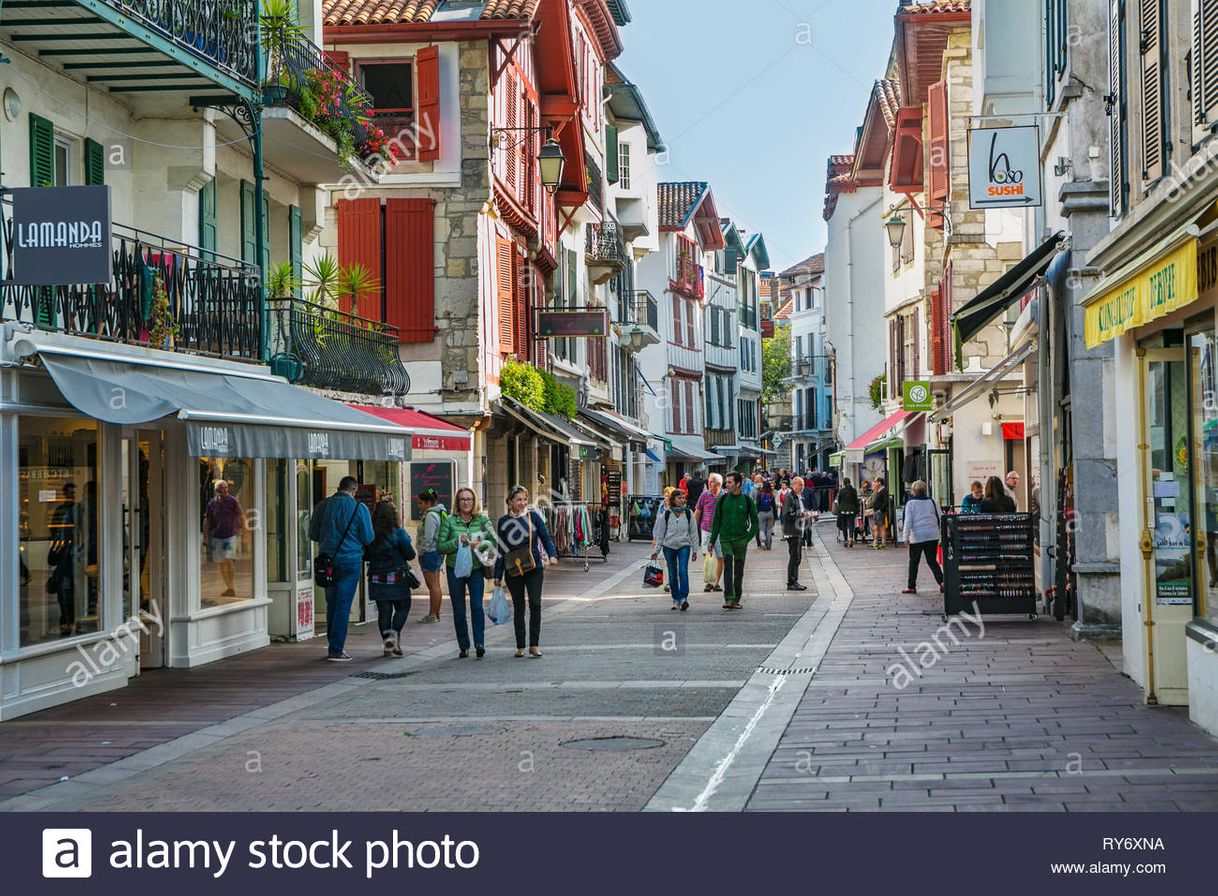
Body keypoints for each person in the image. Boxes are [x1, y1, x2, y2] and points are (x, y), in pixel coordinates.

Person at [309, 476, 374, 661]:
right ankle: (336, 648)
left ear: (338, 488)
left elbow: (313, 534)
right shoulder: (359, 508)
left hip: (328, 561)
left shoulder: (323, 505)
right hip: (350, 561)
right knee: (343, 604)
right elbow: (368, 537)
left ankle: (333, 643)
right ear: (354, 491)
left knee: (332, 603)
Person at [494, 486, 559, 658]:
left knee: (535, 605)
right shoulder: (503, 521)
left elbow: (545, 537)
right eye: (518, 500)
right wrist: (497, 574)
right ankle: (521, 645)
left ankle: (534, 645)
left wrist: (552, 554)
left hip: (533, 566)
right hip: (513, 569)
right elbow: (501, 548)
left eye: (524, 499)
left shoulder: (534, 517)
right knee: (519, 607)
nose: (522, 503)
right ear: (510, 502)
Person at [437, 487, 494, 659]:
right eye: (462, 499)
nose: (466, 502)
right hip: (455, 569)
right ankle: (463, 645)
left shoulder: (482, 519)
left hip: (476, 569)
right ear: (458, 502)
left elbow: (494, 541)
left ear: (474, 501)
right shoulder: (449, 521)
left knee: (477, 606)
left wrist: (480, 543)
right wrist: (455, 541)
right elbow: (440, 546)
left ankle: (479, 643)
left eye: (469, 499)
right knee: (459, 609)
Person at [366, 498, 417, 657]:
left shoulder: (370, 535)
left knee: (384, 612)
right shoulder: (399, 533)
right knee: (403, 607)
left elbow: (365, 556)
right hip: (397, 577)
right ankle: (393, 636)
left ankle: (388, 642)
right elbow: (410, 554)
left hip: (376, 578)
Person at [708, 471, 759, 609]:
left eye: (730, 482)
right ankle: (728, 598)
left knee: (739, 570)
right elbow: (716, 521)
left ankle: (736, 598)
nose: (727, 484)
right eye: (726, 482)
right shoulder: (722, 500)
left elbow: (755, 522)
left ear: (738, 484)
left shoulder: (747, 500)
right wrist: (712, 541)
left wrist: (747, 538)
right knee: (728, 565)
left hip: (741, 540)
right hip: (726, 539)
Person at [651, 487, 699, 611]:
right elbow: (660, 534)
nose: (682, 500)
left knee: (683, 571)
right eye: (679, 498)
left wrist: (695, 549)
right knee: (672, 573)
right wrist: (656, 551)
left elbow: (693, 532)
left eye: (683, 498)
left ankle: (683, 598)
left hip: (684, 546)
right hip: (669, 546)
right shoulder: (666, 514)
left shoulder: (688, 513)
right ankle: (675, 598)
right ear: (673, 499)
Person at [203, 480, 247, 599]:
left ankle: (232, 586)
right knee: (221, 562)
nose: (225, 491)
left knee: (228, 559)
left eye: (226, 488)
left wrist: (245, 536)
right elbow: (207, 521)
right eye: (222, 489)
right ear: (217, 491)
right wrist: (205, 536)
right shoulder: (212, 504)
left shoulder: (233, 501)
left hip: (231, 535)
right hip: (217, 536)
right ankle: (228, 588)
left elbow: (242, 518)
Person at [901, 480, 944, 595]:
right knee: (932, 561)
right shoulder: (933, 502)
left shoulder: (911, 504)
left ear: (913, 491)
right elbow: (941, 517)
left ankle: (911, 586)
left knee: (914, 562)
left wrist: (905, 537)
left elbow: (908, 521)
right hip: (932, 535)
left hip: (917, 536)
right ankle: (942, 582)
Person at [48, 482, 79, 637]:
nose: (71, 496)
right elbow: (56, 534)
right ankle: (67, 626)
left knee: (69, 596)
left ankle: (68, 626)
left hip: (70, 560)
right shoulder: (67, 511)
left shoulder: (75, 510)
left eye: (73, 493)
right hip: (66, 561)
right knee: (66, 597)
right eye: (69, 493)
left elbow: (55, 533)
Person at [414, 489, 446, 624]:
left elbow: (428, 538)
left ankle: (432, 614)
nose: (418, 506)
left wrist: (421, 551)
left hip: (430, 553)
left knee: (433, 585)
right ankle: (435, 613)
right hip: (435, 553)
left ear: (428, 503)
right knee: (436, 585)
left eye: (420, 503)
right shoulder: (436, 514)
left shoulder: (430, 516)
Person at [694, 473, 725, 592]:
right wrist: (692, 527)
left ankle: (716, 582)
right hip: (706, 529)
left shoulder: (725, 496)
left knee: (720, 557)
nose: (708, 484)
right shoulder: (704, 495)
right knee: (707, 555)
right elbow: (698, 511)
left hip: (720, 532)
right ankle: (709, 581)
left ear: (718, 484)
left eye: (711, 482)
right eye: (709, 482)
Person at [781, 476, 812, 590]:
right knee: (794, 556)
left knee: (797, 557)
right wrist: (801, 514)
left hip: (798, 530)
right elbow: (787, 515)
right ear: (794, 485)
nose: (803, 487)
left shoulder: (798, 497)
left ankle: (794, 580)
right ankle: (791, 582)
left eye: (803, 485)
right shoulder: (789, 497)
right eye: (801, 485)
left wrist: (806, 514)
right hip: (792, 531)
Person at [867, 476, 891, 549]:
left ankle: (883, 542)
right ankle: (875, 541)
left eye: (875, 481)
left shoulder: (884, 491)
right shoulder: (877, 490)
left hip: (880, 511)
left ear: (879, 482)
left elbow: (886, 502)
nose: (874, 482)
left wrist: (881, 509)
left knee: (882, 527)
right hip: (876, 511)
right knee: (875, 527)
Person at [836, 477, 860, 547]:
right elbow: (855, 500)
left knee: (844, 525)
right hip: (852, 510)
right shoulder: (854, 491)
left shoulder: (841, 491)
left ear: (844, 483)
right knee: (851, 525)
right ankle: (851, 538)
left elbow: (839, 500)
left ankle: (845, 540)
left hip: (843, 510)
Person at [756, 480, 777, 550]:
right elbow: (774, 506)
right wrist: (775, 516)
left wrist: (757, 513)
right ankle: (768, 545)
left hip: (761, 513)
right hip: (770, 513)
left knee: (761, 529)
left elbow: (757, 504)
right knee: (769, 529)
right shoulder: (771, 494)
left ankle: (763, 540)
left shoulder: (759, 494)